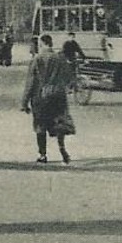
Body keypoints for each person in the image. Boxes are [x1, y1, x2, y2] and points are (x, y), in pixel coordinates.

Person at [22, 33, 76, 163]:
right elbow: (69, 77)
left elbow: (31, 81)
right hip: (58, 95)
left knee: (40, 125)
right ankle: (62, 149)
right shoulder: (60, 58)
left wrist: (24, 102)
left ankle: (43, 154)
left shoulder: (37, 59)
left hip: (41, 96)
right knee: (59, 123)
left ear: (42, 44)